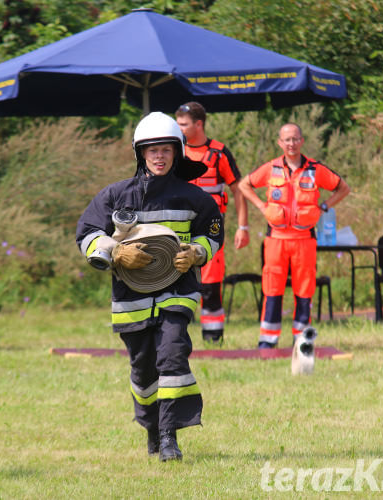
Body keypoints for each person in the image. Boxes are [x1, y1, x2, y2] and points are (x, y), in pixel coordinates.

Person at [76, 112, 223, 462]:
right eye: (152, 150)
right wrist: (114, 252)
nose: (159, 156)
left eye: (166, 150)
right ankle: (152, 428)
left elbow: (213, 231)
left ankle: (171, 435)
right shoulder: (115, 195)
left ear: (178, 152)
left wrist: (197, 253)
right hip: (131, 300)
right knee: (143, 370)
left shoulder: (195, 198)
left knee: (172, 354)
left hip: (178, 291)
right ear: (140, 153)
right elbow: (87, 232)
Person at [238, 123, 350, 349]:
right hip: (276, 239)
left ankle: (302, 340)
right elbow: (244, 185)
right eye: (287, 140)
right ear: (280, 142)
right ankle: (267, 341)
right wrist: (261, 206)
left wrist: (325, 207)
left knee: (305, 288)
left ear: (302, 141)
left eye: (295, 139)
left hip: (304, 240)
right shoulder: (271, 168)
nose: (291, 144)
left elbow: (343, 188)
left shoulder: (315, 169)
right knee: (272, 287)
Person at [175, 102, 249, 344]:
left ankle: (213, 338)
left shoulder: (219, 153)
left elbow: (238, 189)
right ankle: (175, 337)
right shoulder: (174, 152)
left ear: (199, 124)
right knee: (177, 279)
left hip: (211, 228)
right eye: (177, 123)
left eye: (183, 124)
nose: (179, 128)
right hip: (180, 226)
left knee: (211, 282)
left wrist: (243, 226)